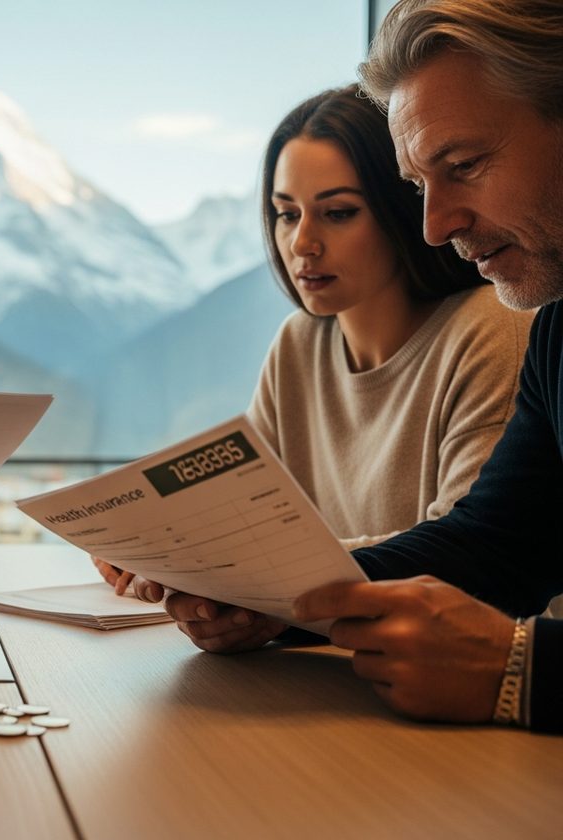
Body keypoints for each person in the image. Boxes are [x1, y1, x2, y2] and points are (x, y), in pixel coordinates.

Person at [164, 0, 563, 734]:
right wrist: (275, 603)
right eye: (418, 187)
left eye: (465, 166)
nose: (436, 226)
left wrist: (524, 667)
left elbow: (507, 613)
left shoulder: (503, 327)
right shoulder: (561, 332)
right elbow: (497, 546)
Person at [96, 83, 532, 595]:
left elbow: (468, 557)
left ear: (402, 210)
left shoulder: (493, 330)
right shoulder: (299, 344)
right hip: (327, 651)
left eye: (338, 212)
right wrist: (158, 548)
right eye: (286, 213)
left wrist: (238, 571)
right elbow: (249, 519)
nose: (302, 243)